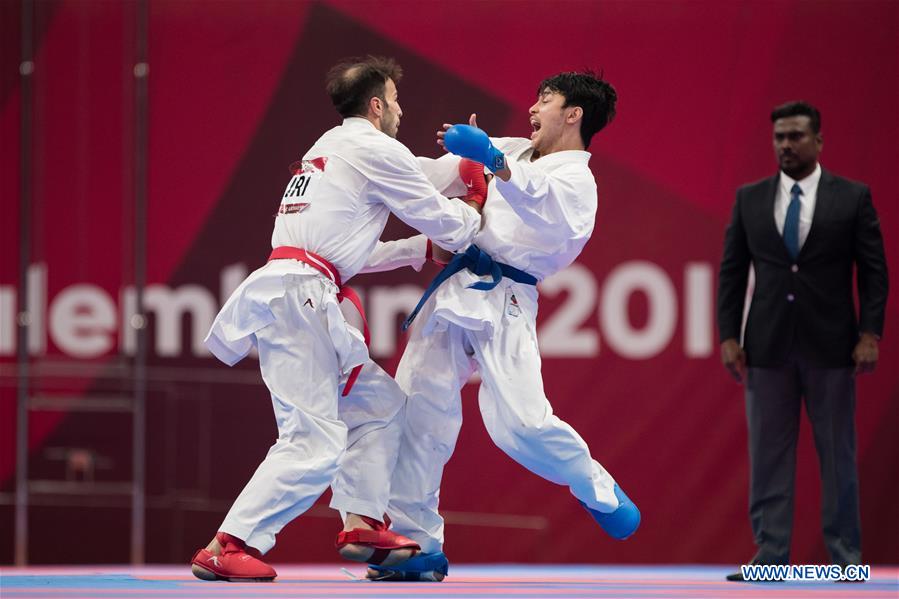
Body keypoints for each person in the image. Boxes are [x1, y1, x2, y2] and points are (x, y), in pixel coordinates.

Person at [334, 71, 641, 582]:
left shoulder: (577, 182)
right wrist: (363, 162)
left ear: (574, 115)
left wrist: (493, 161)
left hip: (508, 298)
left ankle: (595, 486)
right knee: (419, 412)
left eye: (545, 100)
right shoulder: (512, 148)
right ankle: (418, 545)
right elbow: (427, 177)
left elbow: (540, 206)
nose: (532, 108)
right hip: (457, 288)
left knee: (521, 425)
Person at [189, 55, 482, 582]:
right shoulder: (372, 149)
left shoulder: (328, 149)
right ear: (377, 105)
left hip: (300, 290)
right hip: (301, 299)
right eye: (395, 100)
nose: (401, 110)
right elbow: (448, 220)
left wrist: (457, 176)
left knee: (380, 406)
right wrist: (474, 199)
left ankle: (362, 524)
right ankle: (227, 544)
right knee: (313, 440)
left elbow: (361, 240)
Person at [717, 101, 888, 581]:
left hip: (833, 346)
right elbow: (732, 273)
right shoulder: (751, 198)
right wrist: (728, 335)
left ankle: (846, 556)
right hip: (767, 347)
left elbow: (874, 272)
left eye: (795, 136)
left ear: (818, 141)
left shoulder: (851, 197)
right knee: (768, 455)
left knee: (837, 454)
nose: (786, 145)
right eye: (779, 137)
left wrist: (870, 333)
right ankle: (770, 555)